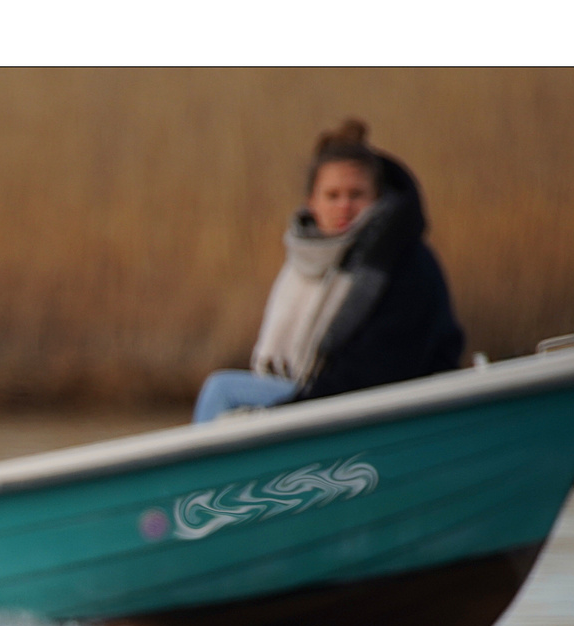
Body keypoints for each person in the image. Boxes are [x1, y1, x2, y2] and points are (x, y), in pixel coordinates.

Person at [193, 118, 466, 423]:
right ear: (312, 202)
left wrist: (291, 410)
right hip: (319, 394)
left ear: (378, 197)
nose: (344, 208)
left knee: (221, 392)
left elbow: (376, 368)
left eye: (356, 195)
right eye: (333, 196)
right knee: (222, 391)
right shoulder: (304, 261)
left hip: (383, 406)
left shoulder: (401, 263)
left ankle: (199, 469)